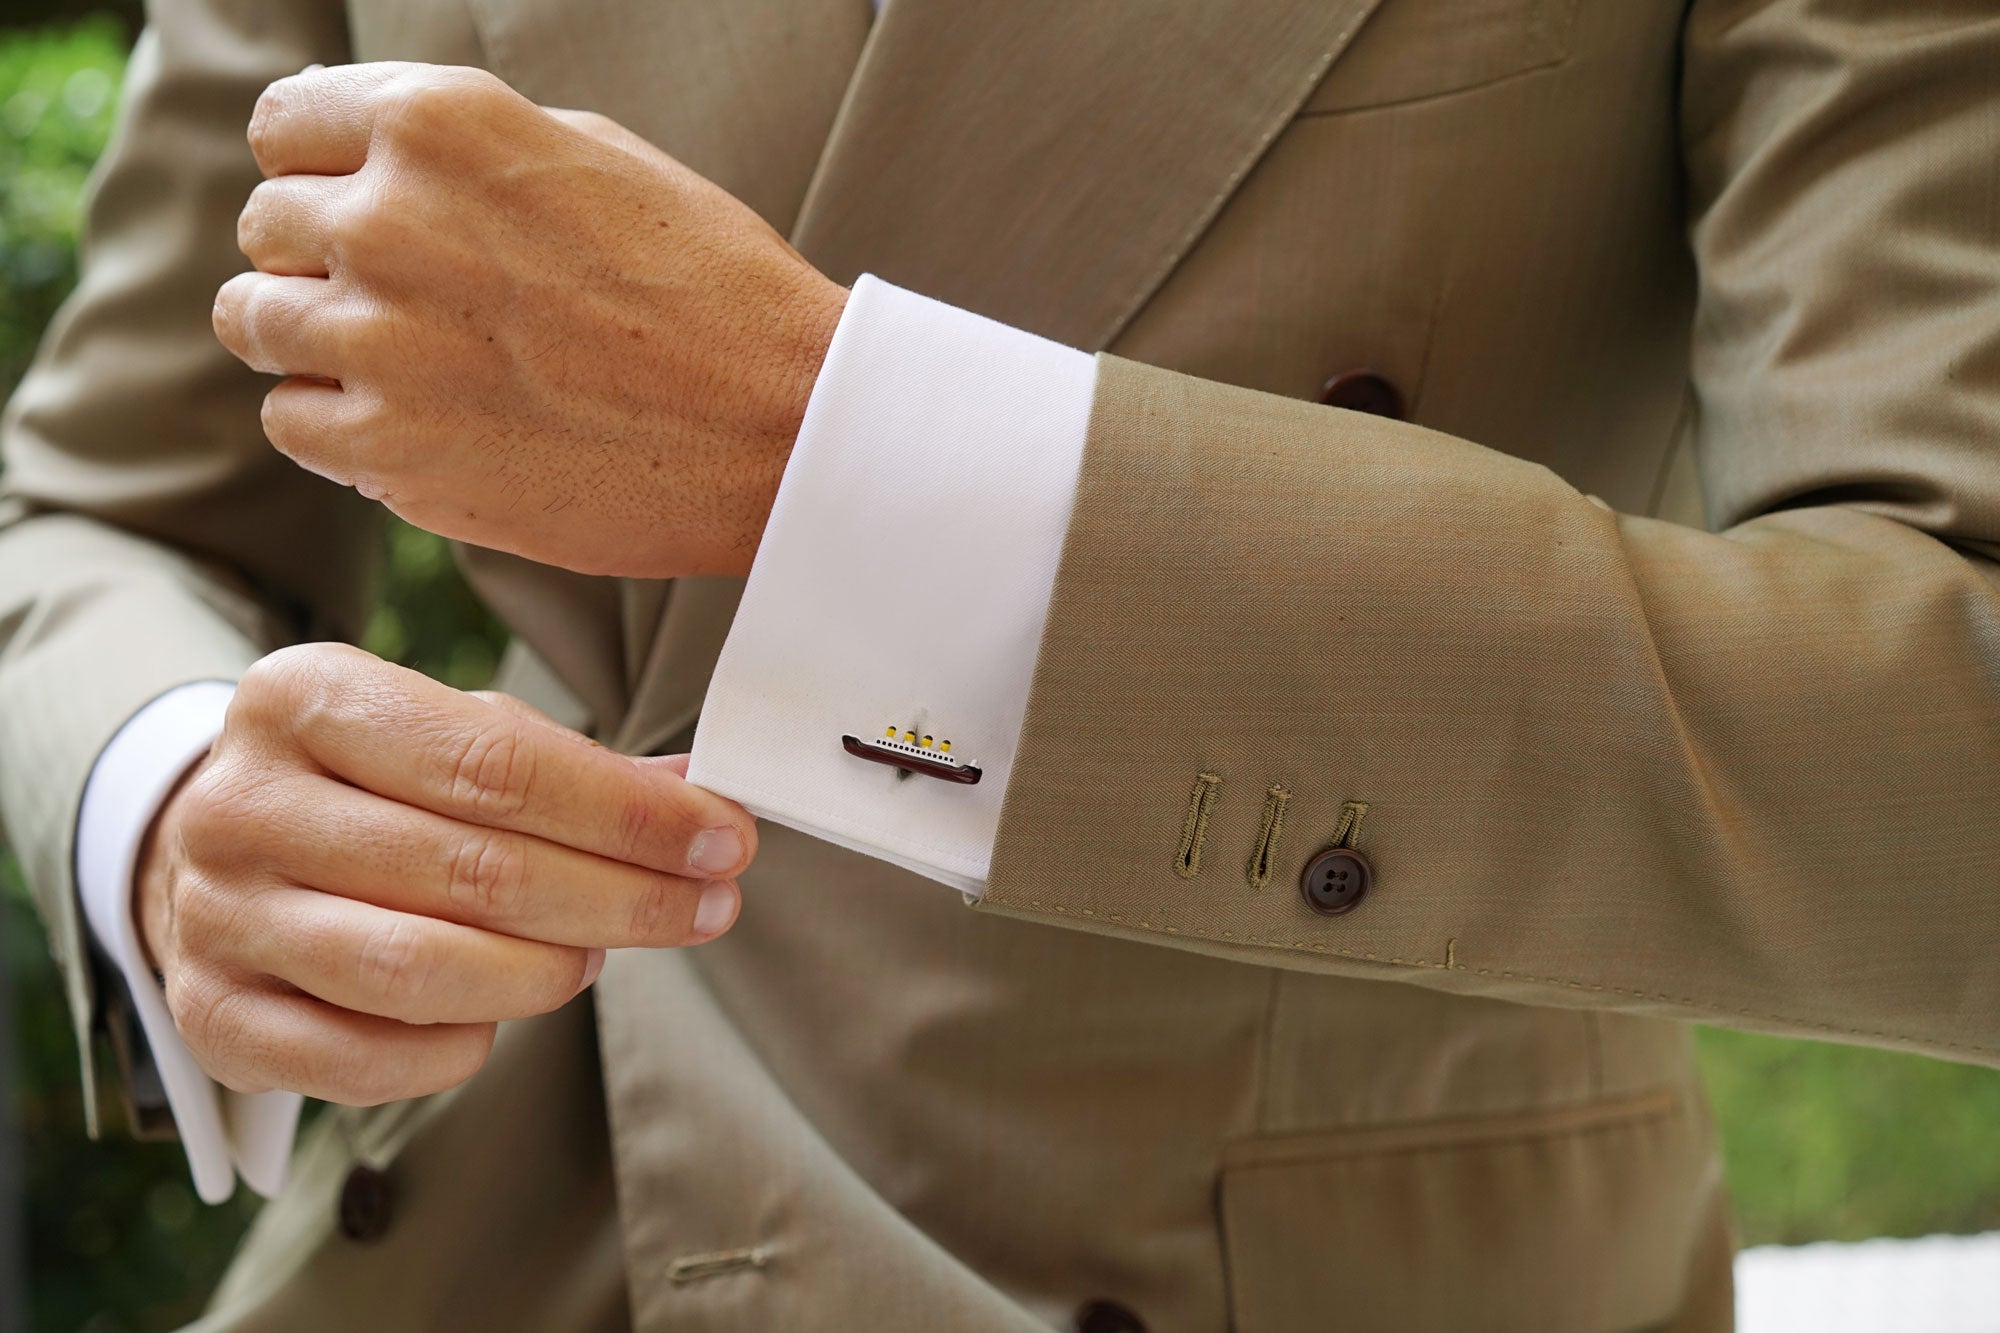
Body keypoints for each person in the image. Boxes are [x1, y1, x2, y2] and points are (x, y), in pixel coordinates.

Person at [3, 0, 1996, 1328]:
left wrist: (848, 464)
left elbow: (1951, 737)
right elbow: (95, 504)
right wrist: (166, 791)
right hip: (487, 1238)